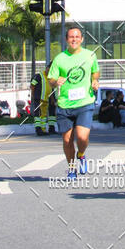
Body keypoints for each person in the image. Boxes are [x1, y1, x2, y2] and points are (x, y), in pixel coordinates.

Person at [48, 26, 100, 179]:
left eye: (77, 37)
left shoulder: (90, 55)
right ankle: (72, 169)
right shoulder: (59, 59)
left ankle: (82, 155)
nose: (74, 39)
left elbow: (95, 71)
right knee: (67, 140)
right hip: (65, 105)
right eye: (71, 37)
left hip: (85, 103)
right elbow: (51, 80)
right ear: (66, 40)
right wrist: (56, 81)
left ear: (82, 39)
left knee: (82, 137)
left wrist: (94, 80)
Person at [30, 66, 56, 135]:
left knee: (44, 115)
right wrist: (33, 95)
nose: (49, 71)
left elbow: (51, 90)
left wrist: (52, 99)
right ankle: (38, 129)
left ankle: (43, 130)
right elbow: (32, 85)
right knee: (38, 114)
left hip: (45, 99)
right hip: (38, 98)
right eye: (49, 69)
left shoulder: (50, 78)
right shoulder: (39, 76)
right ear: (47, 68)